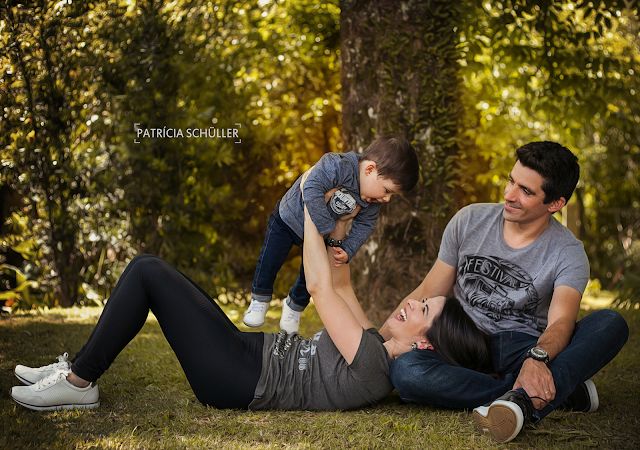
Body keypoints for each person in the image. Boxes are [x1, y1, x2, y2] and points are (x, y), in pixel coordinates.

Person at [10, 179, 488, 413]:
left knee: (147, 271)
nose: (411, 301)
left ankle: (78, 383)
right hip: (244, 353)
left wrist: (307, 201)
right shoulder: (372, 343)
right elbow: (339, 282)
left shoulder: (373, 365)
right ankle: (76, 369)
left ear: (425, 343)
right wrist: (342, 221)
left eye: (421, 310)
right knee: (161, 274)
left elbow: (320, 288)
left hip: (237, 376)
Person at [380, 141, 629, 443]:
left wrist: (536, 359)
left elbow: (561, 321)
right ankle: (544, 393)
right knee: (408, 372)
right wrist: (376, 344)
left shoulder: (568, 252)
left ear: (554, 204)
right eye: (512, 180)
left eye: (526, 191)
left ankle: (524, 397)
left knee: (610, 323)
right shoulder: (469, 220)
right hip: (463, 343)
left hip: (522, 346)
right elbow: (428, 290)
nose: (509, 195)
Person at [243, 134, 420, 333]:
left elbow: (365, 226)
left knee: (313, 273)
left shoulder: (371, 200)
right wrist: (327, 227)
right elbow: (311, 187)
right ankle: (260, 299)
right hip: (289, 219)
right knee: (270, 259)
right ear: (370, 169)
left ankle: (294, 305)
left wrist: (348, 249)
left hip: (319, 234)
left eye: (391, 195)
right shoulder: (338, 165)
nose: (387, 199)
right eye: (387, 190)